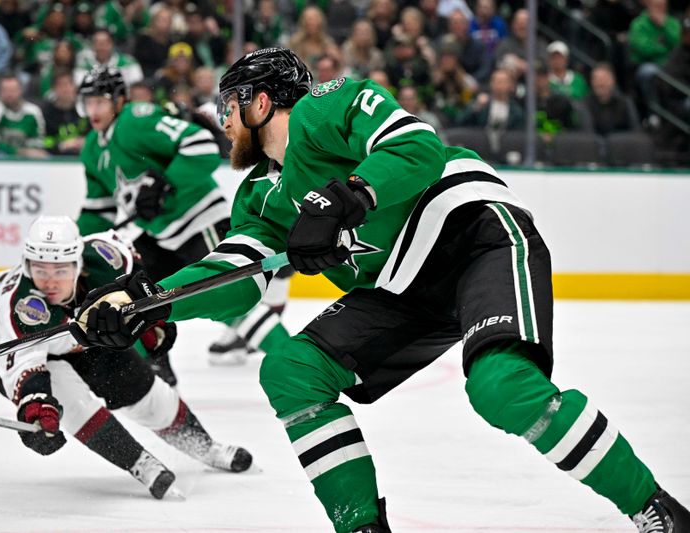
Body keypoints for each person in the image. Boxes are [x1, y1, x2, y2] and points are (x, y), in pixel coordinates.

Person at [72, 47, 690, 533]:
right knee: (291, 369)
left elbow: (414, 144)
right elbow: (235, 275)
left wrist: (350, 196)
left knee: (503, 388)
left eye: (229, 106)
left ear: (260, 103)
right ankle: (363, 528)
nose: (222, 120)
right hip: (400, 287)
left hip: (470, 235)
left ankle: (655, 508)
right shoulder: (260, 195)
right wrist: (144, 299)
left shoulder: (323, 106)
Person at [0, 215, 253, 499]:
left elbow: (134, 265)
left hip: (82, 336)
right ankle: (139, 463)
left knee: (145, 392)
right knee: (68, 402)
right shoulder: (21, 306)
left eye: (60, 271)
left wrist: (148, 315)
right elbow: (24, 364)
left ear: (78, 264)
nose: (49, 283)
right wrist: (35, 408)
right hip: (13, 348)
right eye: (40, 271)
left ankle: (205, 446)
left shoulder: (105, 258)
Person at [75, 66, 291, 379]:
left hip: (199, 221)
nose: (93, 110)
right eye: (88, 103)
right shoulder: (93, 149)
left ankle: (290, 356)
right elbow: (100, 210)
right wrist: (77, 247)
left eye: (100, 101)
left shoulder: (134, 120)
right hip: (162, 237)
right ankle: (154, 378)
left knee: (231, 299)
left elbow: (202, 145)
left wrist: (165, 183)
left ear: (119, 100)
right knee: (136, 301)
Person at [0, 74, 49, 158]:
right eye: (5, 90)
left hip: (27, 155)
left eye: (12, 90)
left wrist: (31, 150)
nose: (9, 94)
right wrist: (17, 151)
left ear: (20, 90)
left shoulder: (33, 112)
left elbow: (39, 140)